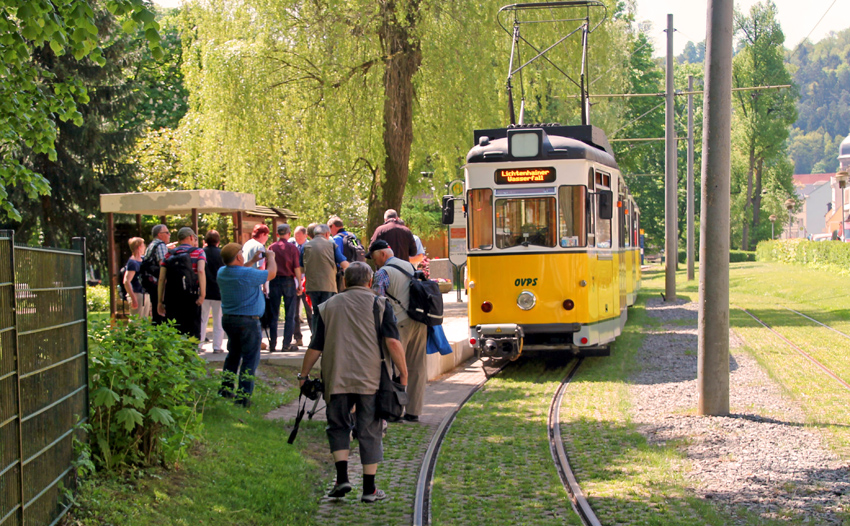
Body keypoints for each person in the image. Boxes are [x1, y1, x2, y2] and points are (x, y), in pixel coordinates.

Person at [298, 262, 408, 502]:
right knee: (370, 429)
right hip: (371, 378)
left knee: (337, 426)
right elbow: (392, 342)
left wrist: (303, 375)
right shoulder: (380, 305)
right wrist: (404, 373)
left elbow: (316, 345)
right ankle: (369, 490)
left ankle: (342, 478)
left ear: (344, 282)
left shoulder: (327, 306)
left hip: (336, 376)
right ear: (370, 282)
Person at [369, 240, 427, 423]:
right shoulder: (410, 266)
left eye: (374, 257)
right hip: (419, 322)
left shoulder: (383, 273)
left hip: (399, 324)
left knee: (393, 366)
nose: (374, 262)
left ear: (383, 255)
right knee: (417, 366)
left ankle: (394, 410)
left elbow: (376, 300)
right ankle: (413, 411)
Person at [217, 242, 277, 406]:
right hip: (248, 321)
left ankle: (226, 389)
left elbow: (242, 270)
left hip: (229, 319)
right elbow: (271, 273)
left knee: (233, 356)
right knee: (250, 359)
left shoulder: (222, 272)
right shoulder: (246, 273)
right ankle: (243, 396)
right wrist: (270, 257)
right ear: (238, 256)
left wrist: (251, 260)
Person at [156, 227, 206, 339]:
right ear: (191, 237)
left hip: (172, 298)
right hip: (191, 296)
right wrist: (202, 294)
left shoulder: (169, 255)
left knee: (175, 331)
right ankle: (192, 353)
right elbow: (201, 271)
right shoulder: (198, 252)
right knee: (192, 331)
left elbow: (161, 279)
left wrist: (160, 301)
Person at [301, 223, 349, 326]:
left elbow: (300, 269)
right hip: (328, 285)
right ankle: (326, 337)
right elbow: (344, 263)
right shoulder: (331, 245)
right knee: (327, 313)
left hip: (312, 286)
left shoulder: (306, 246)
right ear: (327, 234)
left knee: (316, 311)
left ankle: (315, 337)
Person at [268, 224, 302, 352]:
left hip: (274, 281)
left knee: (274, 314)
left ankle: (272, 344)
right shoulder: (292, 248)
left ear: (277, 234)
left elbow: (268, 267)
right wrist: (299, 283)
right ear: (288, 233)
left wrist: (265, 285)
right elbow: (296, 267)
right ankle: (286, 344)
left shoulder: (271, 248)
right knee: (290, 314)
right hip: (288, 281)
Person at [200, 230, 225, 354]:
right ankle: (217, 346)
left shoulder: (201, 253)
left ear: (205, 241)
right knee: (218, 320)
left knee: (202, 319)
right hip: (218, 290)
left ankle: (199, 344)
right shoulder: (221, 254)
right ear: (218, 241)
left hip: (203, 291)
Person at [145, 224, 171, 324]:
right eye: (167, 233)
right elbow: (163, 267)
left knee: (155, 314)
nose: (169, 234)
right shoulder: (161, 246)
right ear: (160, 235)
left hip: (151, 282)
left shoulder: (152, 245)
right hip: (158, 284)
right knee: (161, 314)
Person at [291, 225, 312, 344]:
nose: (297, 238)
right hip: (294, 282)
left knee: (309, 311)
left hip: (307, 282)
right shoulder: (292, 246)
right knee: (294, 312)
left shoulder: (310, 247)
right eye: (295, 236)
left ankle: (314, 336)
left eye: (299, 236)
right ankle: (297, 338)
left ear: (305, 235)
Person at [123, 237, 150, 318]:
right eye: (143, 245)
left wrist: (165, 247)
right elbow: (126, 281)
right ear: (139, 247)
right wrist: (133, 298)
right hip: (137, 294)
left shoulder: (142, 259)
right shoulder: (133, 263)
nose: (145, 247)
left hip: (145, 293)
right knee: (136, 320)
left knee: (144, 320)